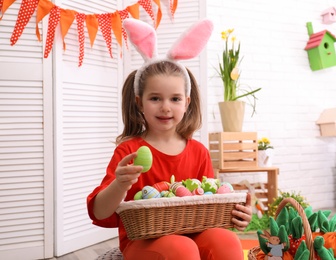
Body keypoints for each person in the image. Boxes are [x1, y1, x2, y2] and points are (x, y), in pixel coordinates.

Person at [87, 18, 252, 260]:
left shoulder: (198, 152)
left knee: (226, 240)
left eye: (175, 99)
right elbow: (100, 212)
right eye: (155, 98)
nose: (165, 107)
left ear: (186, 102)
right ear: (139, 102)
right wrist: (120, 184)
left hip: (194, 232)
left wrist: (237, 214)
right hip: (142, 241)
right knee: (181, 248)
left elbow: (209, 203)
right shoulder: (129, 150)